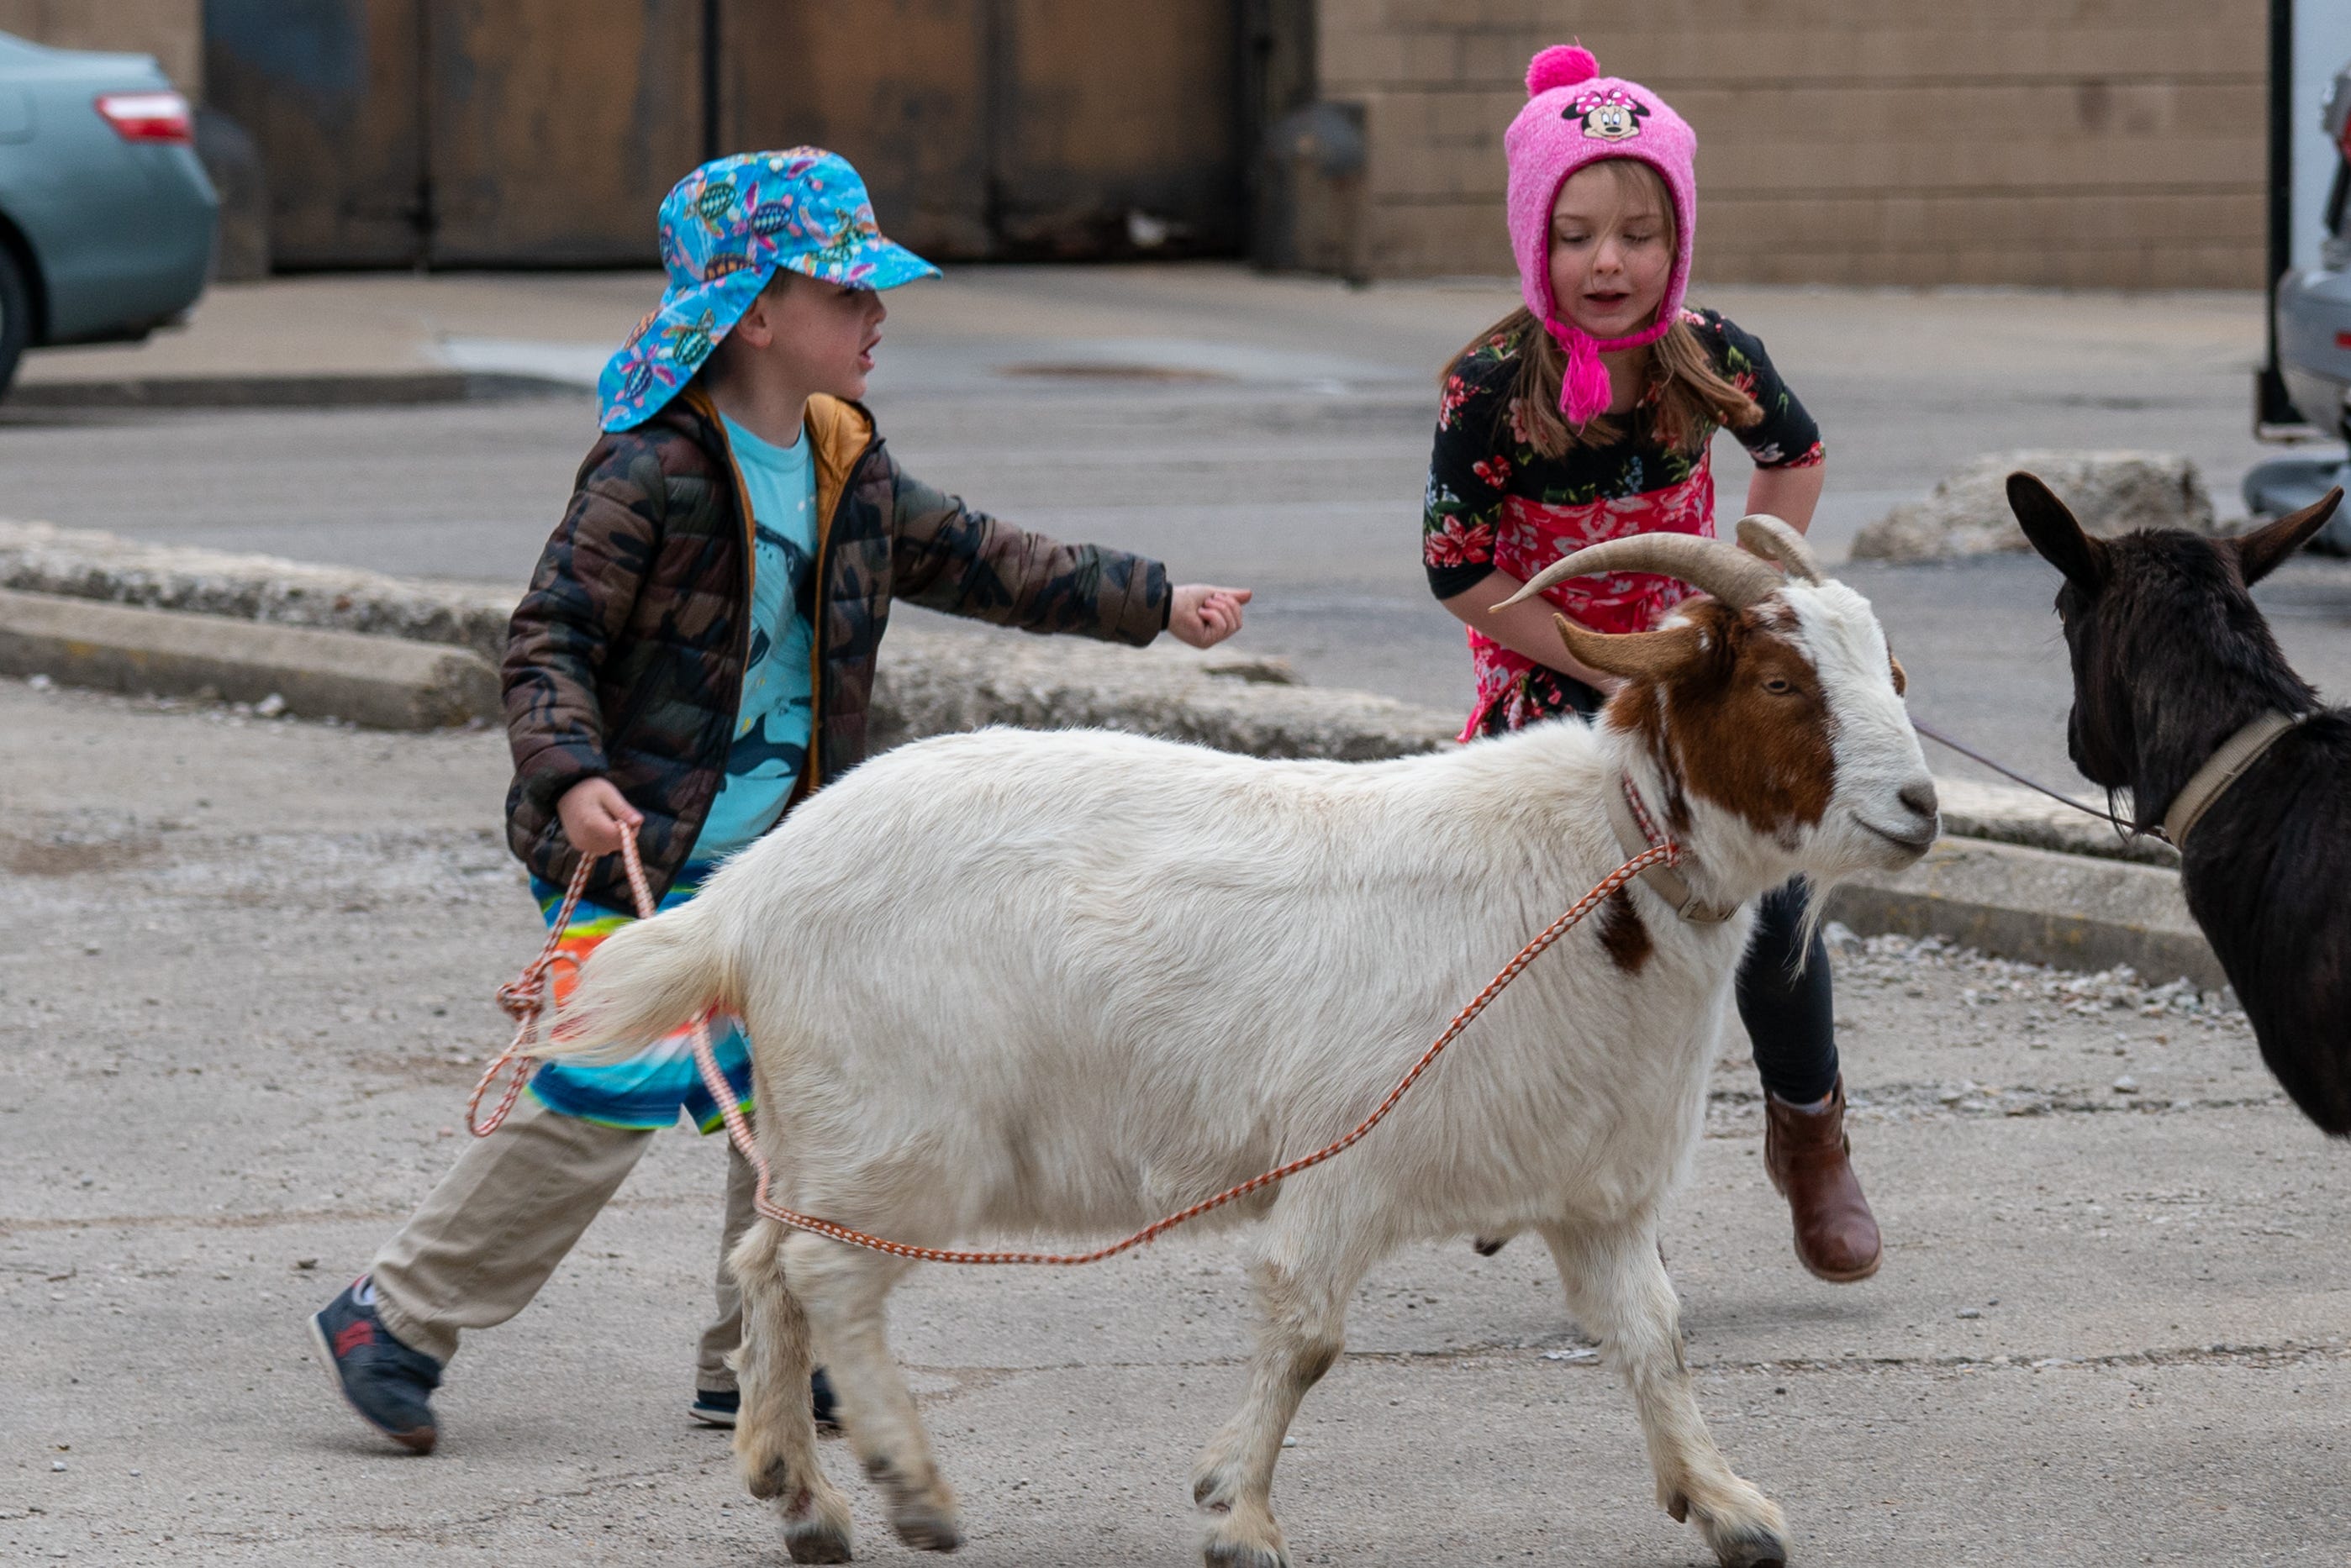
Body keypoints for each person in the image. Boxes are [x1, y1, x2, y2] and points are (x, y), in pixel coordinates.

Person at [309, 148, 1252, 1454]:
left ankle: (754, 1357)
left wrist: (1155, 601)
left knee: (797, 1102)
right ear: (757, 310)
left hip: (788, 860)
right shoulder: (649, 471)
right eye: (848, 291)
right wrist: (573, 773)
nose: (878, 315)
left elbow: (987, 558)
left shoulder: (844, 460)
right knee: (607, 1091)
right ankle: (394, 1313)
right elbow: (547, 641)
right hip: (643, 840)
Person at [1422, 49, 1879, 1283]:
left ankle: (1809, 1134)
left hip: (1693, 667)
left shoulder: (1709, 353)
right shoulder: (1485, 387)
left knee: (1771, 885)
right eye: (1574, 235)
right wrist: (1590, 655)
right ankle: (1577, 1179)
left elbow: (1795, 457)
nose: (1607, 262)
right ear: (1535, 242)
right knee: (1556, 923)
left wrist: (1737, 588)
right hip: (1549, 665)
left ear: (1674, 242)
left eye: (1636, 233)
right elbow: (1455, 568)